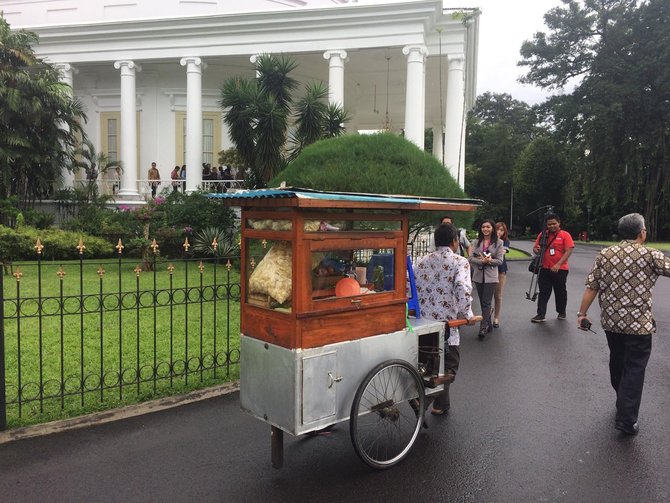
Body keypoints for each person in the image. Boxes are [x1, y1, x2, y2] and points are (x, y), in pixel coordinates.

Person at [577, 213, 670, 435]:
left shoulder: (605, 254)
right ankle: (626, 419)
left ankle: (622, 399)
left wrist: (582, 313)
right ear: (642, 233)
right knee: (635, 368)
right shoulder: (651, 254)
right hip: (639, 326)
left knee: (617, 362)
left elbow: (592, 287)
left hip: (612, 323)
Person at [414, 223, 477, 415]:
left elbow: (411, 286)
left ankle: (442, 405)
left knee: (430, 365)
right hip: (446, 326)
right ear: (454, 241)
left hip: (423, 324)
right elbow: (462, 288)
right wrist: (468, 314)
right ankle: (424, 400)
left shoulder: (420, 261)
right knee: (449, 368)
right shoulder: (459, 261)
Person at [531, 212, 574, 323]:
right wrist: (537, 250)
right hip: (544, 268)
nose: (551, 226)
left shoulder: (565, 235)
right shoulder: (543, 234)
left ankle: (561, 311)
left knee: (560, 291)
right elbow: (535, 248)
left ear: (559, 223)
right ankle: (541, 314)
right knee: (543, 292)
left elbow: (569, 250)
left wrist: (558, 264)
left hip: (560, 269)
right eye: (549, 224)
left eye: (554, 223)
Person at [469, 219, 504, 338]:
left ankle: (483, 327)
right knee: (483, 301)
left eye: (488, 227)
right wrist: (480, 261)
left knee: (486, 301)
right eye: (483, 227)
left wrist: (489, 261)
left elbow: (499, 261)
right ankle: (488, 323)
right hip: (478, 276)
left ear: (492, 228)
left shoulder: (499, 242)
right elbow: (470, 258)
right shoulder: (476, 242)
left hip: (491, 277)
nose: (485, 229)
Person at [493, 222, 510, 328]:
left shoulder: (505, 241)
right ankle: (486, 317)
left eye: (501, 230)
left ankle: (496, 318)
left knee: (498, 296)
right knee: (487, 296)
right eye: (497, 229)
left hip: (500, 270)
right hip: (488, 270)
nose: (499, 232)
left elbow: (502, 251)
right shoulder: (488, 240)